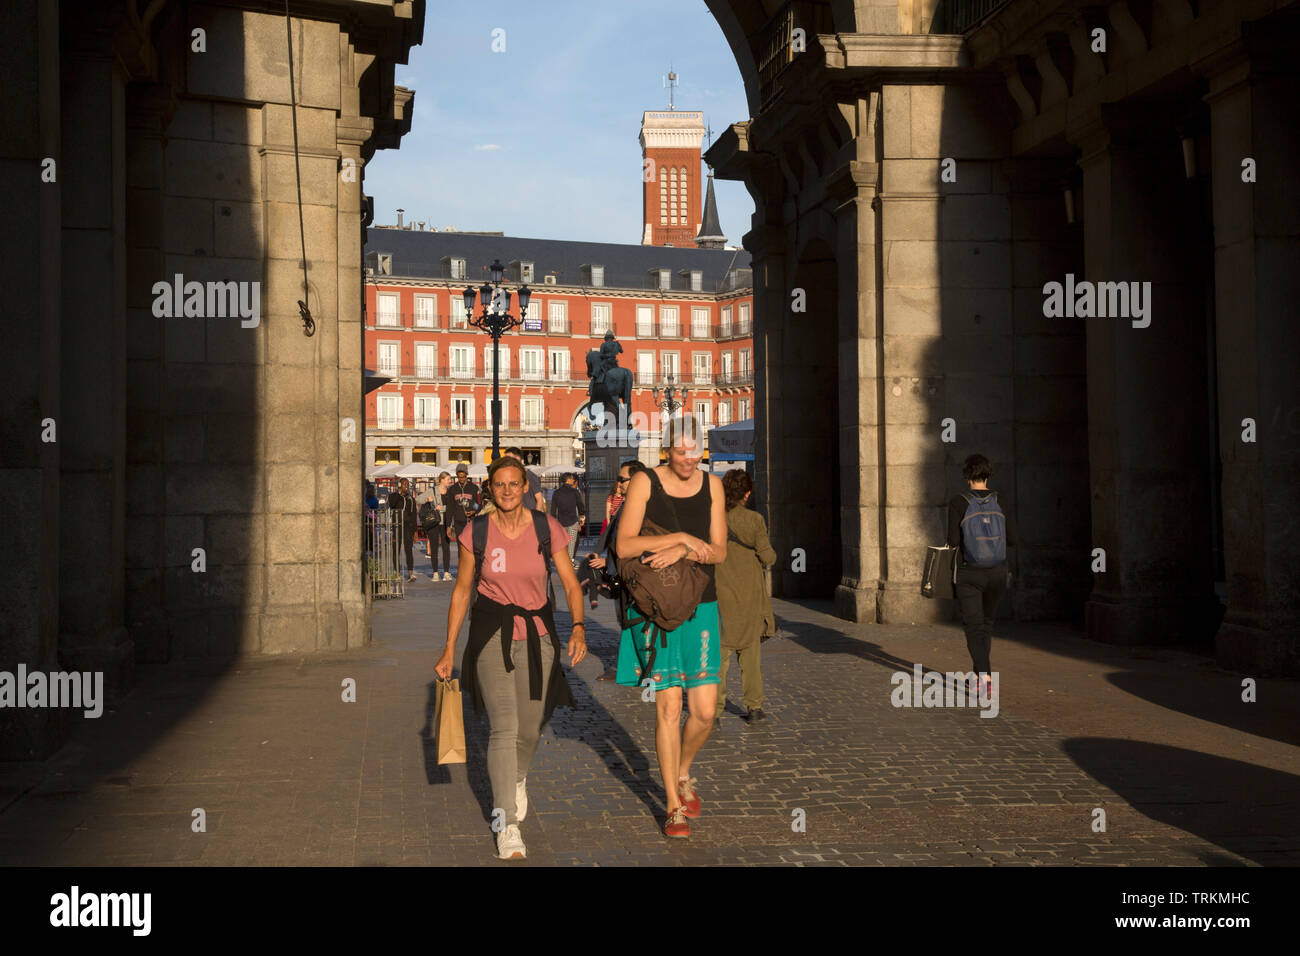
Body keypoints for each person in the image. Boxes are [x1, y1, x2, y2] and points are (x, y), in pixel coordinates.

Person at [434, 456, 587, 861]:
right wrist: (449, 648)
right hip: (491, 636)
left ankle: (517, 778)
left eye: (513, 484)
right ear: (489, 488)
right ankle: (507, 824)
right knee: (503, 728)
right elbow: (463, 591)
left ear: (525, 487)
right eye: (498, 485)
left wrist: (578, 627)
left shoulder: (545, 527)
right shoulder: (476, 531)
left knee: (532, 728)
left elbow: (570, 583)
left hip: (539, 636)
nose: (506, 491)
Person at [614, 417, 726, 839]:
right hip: (658, 608)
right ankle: (673, 807)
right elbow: (624, 545)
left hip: (702, 605)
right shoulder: (645, 483)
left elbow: (718, 552)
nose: (689, 459)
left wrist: (684, 548)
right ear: (666, 450)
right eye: (680, 451)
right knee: (668, 707)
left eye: (694, 451)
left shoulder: (712, 485)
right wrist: (677, 537)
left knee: (704, 711)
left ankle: (682, 769)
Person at [947, 453, 1018, 700]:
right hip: (998, 572)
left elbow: (953, 541)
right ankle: (980, 677)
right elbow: (1013, 538)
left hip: (970, 573)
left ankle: (985, 678)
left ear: (967, 476)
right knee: (986, 625)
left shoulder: (958, 502)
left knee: (974, 627)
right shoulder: (1002, 500)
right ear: (988, 474)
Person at [714, 470, 776, 727]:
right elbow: (768, 557)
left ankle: (714, 711)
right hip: (750, 594)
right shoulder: (755, 519)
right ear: (748, 494)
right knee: (750, 654)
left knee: (719, 657)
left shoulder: (714, 518)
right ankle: (755, 707)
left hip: (720, 593)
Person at [445, 465, 481, 577]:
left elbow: (478, 505)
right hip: (458, 522)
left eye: (463, 477)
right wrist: (448, 526)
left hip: (471, 522)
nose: (461, 479)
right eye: (459, 477)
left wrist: (474, 511)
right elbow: (450, 509)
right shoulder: (452, 490)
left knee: (472, 547)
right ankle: (462, 571)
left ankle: (473, 570)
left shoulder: (474, 488)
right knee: (461, 547)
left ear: (466, 475)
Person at [549, 472, 586, 566]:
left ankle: (563, 561)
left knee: (563, 542)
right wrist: (582, 515)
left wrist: (553, 522)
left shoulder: (556, 493)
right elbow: (580, 506)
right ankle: (569, 561)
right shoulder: (574, 491)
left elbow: (553, 509)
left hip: (561, 521)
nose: (573, 480)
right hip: (573, 520)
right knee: (571, 542)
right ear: (568, 479)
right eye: (572, 478)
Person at [387, 477, 419, 582]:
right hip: (397, 526)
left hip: (408, 527)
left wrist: (415, 531)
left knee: (408, 550)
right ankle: (397, 573)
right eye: (404, 484)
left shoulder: (410, 499)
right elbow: (392, 504)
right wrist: (399, 493)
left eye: (407, 484)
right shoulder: (394, 496)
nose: (406, 486)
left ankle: (410, 573)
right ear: (400, 485)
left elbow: (414, 515)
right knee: (396, 549)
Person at [423, 472, 453, 580]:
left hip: (446, 523)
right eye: (448, 479)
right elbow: (418, 499)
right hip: (434, 522)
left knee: (446, 548)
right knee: (434, 548)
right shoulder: (432, 490)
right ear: (442, 480)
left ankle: (446, 572)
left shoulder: (450, 492)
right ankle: (435, 573)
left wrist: (443, 508)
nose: (450, 481)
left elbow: (451, 507)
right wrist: (427, 500)